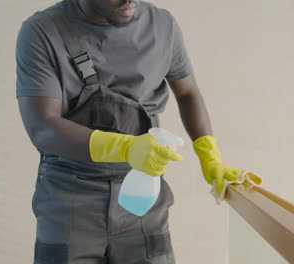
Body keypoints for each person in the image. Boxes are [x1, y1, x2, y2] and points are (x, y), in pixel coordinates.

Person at [16, 0, 243, 263]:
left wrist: (209, 156)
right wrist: (126, 148)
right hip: (70, 197)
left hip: (142, 194)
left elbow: (188, 91)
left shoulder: (162, 26)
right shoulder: (43, 31)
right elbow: (42, 126)